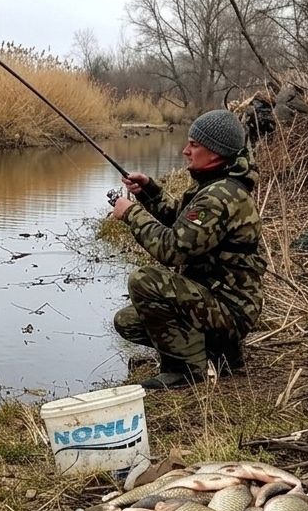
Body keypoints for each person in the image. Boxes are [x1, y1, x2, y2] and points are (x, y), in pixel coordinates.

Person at [107, 109, 266, 390]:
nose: (185, 150)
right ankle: (221, 354)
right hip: (218, 300)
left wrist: (131, 213)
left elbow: (172, 249)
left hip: (230, 309)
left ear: (215, 152)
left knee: (144, 281)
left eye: (194, 145)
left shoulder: (220, 196)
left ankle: (185, 370)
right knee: (128, 322)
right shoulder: (216, 186)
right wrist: (148, 191)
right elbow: (181, 223)